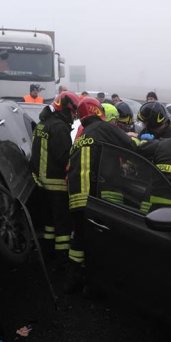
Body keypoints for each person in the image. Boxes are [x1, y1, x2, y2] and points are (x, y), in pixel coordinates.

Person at [66, 97, 141, 293]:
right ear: (98, 112)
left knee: (79, 238)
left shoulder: (82, 136)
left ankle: (75, 277)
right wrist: (145, 142)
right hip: (96, 196)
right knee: (101, 241)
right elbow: (130, 146)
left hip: (76, 197)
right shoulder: (103, 128)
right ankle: (95, 285)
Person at [29, 91, 80, 264]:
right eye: (73, 111)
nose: (74, 115)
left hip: (41, 184)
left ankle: (48, 253)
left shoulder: (42, 124)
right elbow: (64, 157)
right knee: (63, 226)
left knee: (49, 223)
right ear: (65, 109)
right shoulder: (59, 127)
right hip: (58, 185)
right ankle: (63, 259)